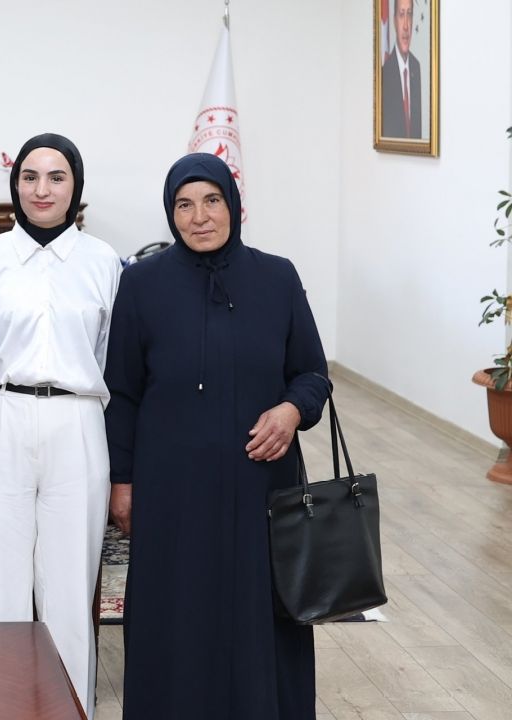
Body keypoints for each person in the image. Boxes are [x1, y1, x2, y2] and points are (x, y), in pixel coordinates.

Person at [104, 153, 329, 720]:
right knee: (176, 609)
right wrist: (121, 481)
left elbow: (312, 373)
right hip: (172, 491)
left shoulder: (277, 278)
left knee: (261, 610)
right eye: (184, 205)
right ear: (170, 212)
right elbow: (122, 393)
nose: (199, 217)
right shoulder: (141, 284)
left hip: (262, 488)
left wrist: (290, 411)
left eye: (211, 201)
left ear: (234, 204)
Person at [0, 133, 119, 710]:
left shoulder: (104, 262)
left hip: (78, 422)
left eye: (56, 177)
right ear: (15, 185)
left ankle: (70, 711)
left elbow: (114, 358)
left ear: (76, 186)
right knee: (0, 594)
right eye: (30, 177)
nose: (42, 189)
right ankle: (0, 710)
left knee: (69, 595)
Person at [381, 0, 422, 138]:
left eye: (409, 14)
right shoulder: (385, 73)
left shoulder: (416, 67)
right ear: (394, 22)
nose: (406, 25)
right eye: (401, 14)